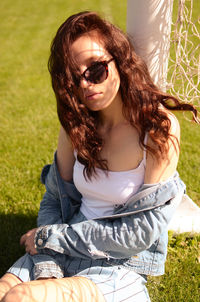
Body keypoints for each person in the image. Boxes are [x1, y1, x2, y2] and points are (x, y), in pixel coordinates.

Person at [0, 11, 198, 302]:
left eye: (94, 70)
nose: (85, 85)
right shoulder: (76, 127)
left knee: (20, 298)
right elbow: (55, 198)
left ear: (119, 60)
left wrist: (50, 239)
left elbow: (139, 233)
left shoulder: (157, 130)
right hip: (63, 245)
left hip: (118, 265)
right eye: (73, 78)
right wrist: (48, 259)